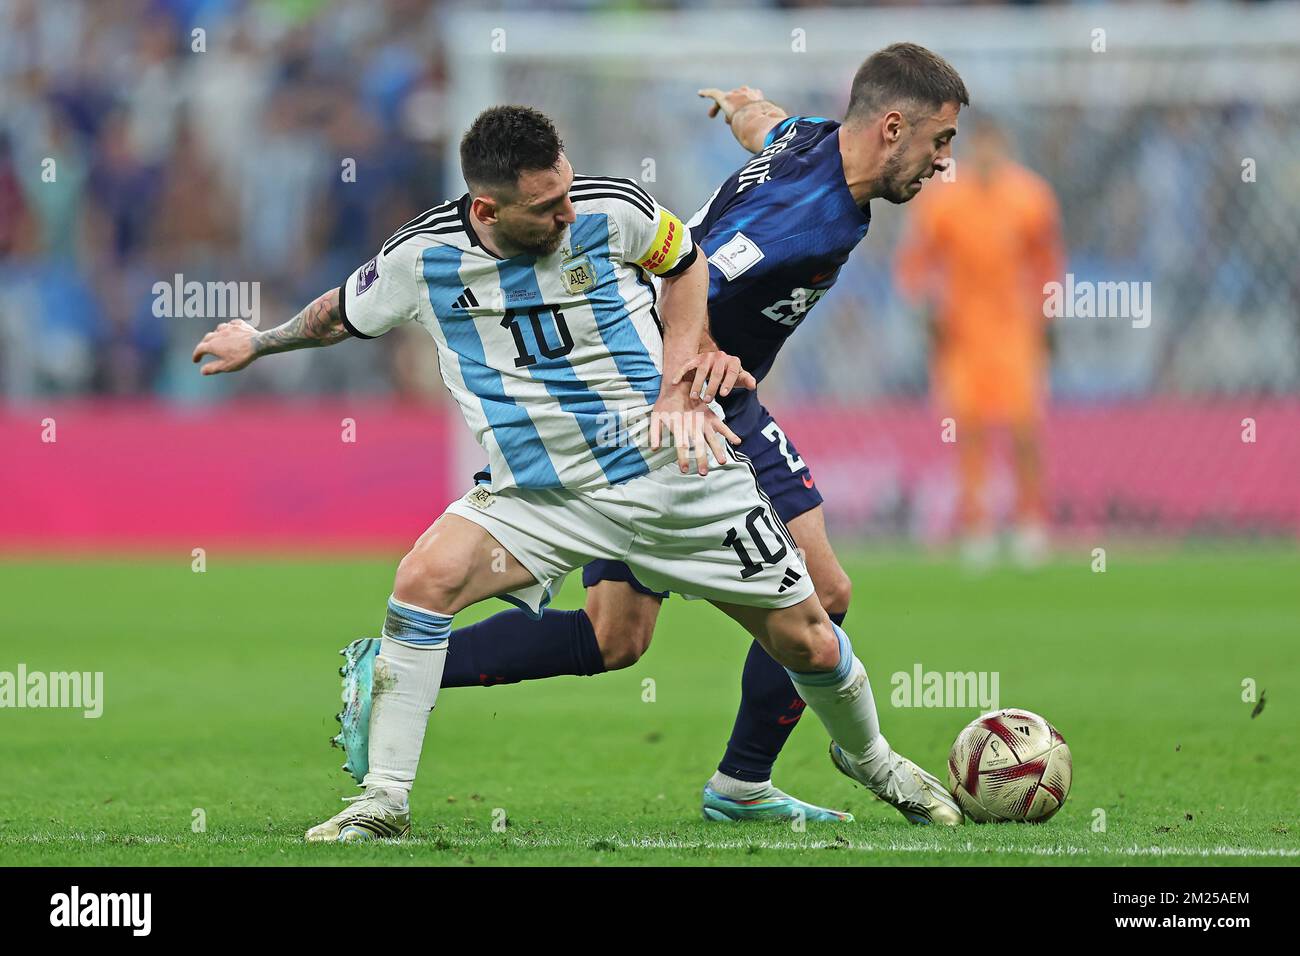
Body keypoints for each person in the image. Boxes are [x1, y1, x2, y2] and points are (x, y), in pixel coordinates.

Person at [193, 102, 962, 841]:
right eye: (546, 208)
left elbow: (687, 262)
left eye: (566, 192)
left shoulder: (613, 209)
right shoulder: (419, 258)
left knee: (811, 640)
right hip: (542, 492)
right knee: (424, 579)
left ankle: (875, 762)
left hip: (673, 472)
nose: (566, 214)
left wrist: (677, 377)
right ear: (488, 212)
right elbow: (338, 313)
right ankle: (382, 800)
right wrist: (260, 341)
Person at [400, 43, 972, 823]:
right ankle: (749, 782)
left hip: (664, 397)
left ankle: (399, 671)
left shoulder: (810, 139)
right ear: (893, 126)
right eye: (939, 141)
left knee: (616, 636)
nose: (944, 162)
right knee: (823, 592)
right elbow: (695, 271)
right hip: (691, 405)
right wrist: (695, 363)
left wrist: (742, 106)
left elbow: (769, 127)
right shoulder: (804, 221)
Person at [895, 116, 1065, 568]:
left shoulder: (1031, 197)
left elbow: (1048, 264)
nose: (988, 154)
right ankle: (977, 525)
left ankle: (1031, 522)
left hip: (1015, 330)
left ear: (1005, 146)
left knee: (1025, 427)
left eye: (995, 144)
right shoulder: (944, 202)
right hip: (962, 333)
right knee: (968, 429)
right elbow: (917, 262)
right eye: (981, 145)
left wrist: (1049, 320)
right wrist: (926, 307)